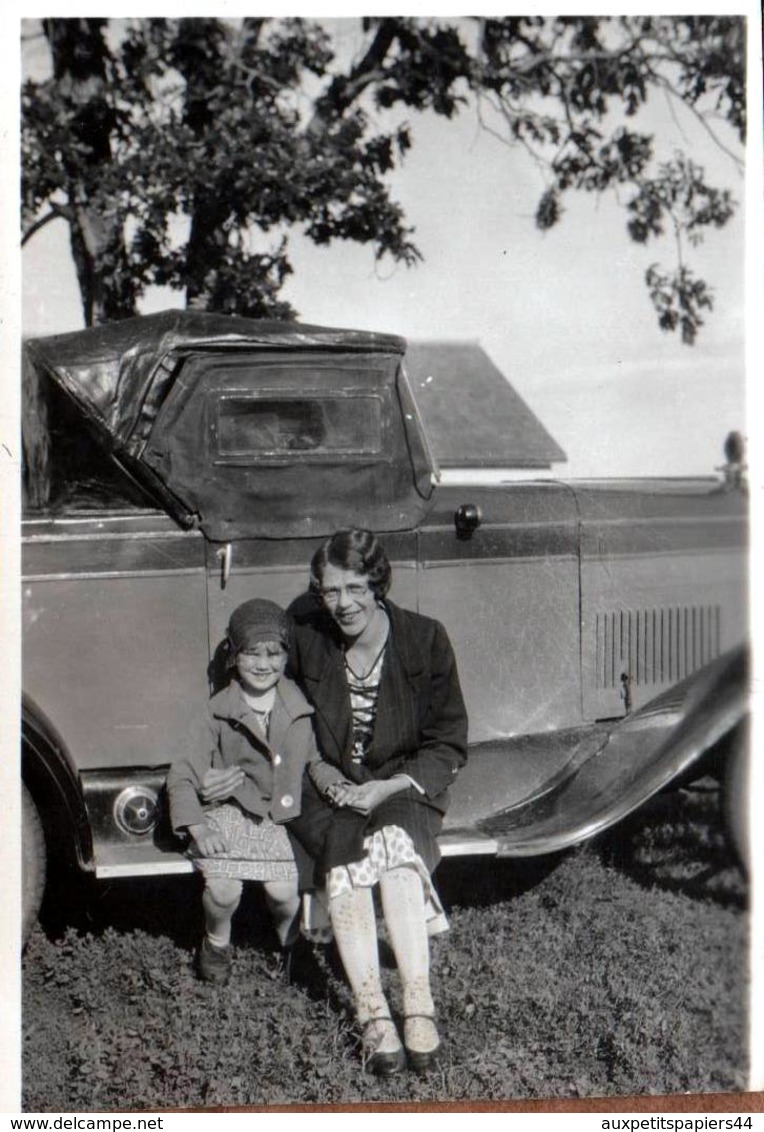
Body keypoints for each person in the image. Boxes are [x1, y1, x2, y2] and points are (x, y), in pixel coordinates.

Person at [289, 528, 468, 1075]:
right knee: (344, 866)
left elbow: (448, 741)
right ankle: (371, 1012)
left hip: (399, 783)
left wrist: (387, 788)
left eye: (354, 589)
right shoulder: (307, 639)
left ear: (378, 584)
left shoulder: (424, 639)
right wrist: (327, 780)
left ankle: (418, 1005)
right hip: (330, 786)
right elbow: (291, 722)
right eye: (330, 592)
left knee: (395, 856)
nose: (342, 604)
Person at [166, 598, 344, 986]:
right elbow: (181, 774)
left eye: (274, 654)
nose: (263, 665)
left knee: (285, 895)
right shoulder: (217, 712)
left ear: (285, 656)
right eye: (252, 654)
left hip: (277, 818)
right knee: (224, 891)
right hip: (230, 813)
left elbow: (313, 761)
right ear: (234, 655)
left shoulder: (297, 707)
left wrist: (333, 782)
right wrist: (198, 827)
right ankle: (216, 941)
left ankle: (289, 946)